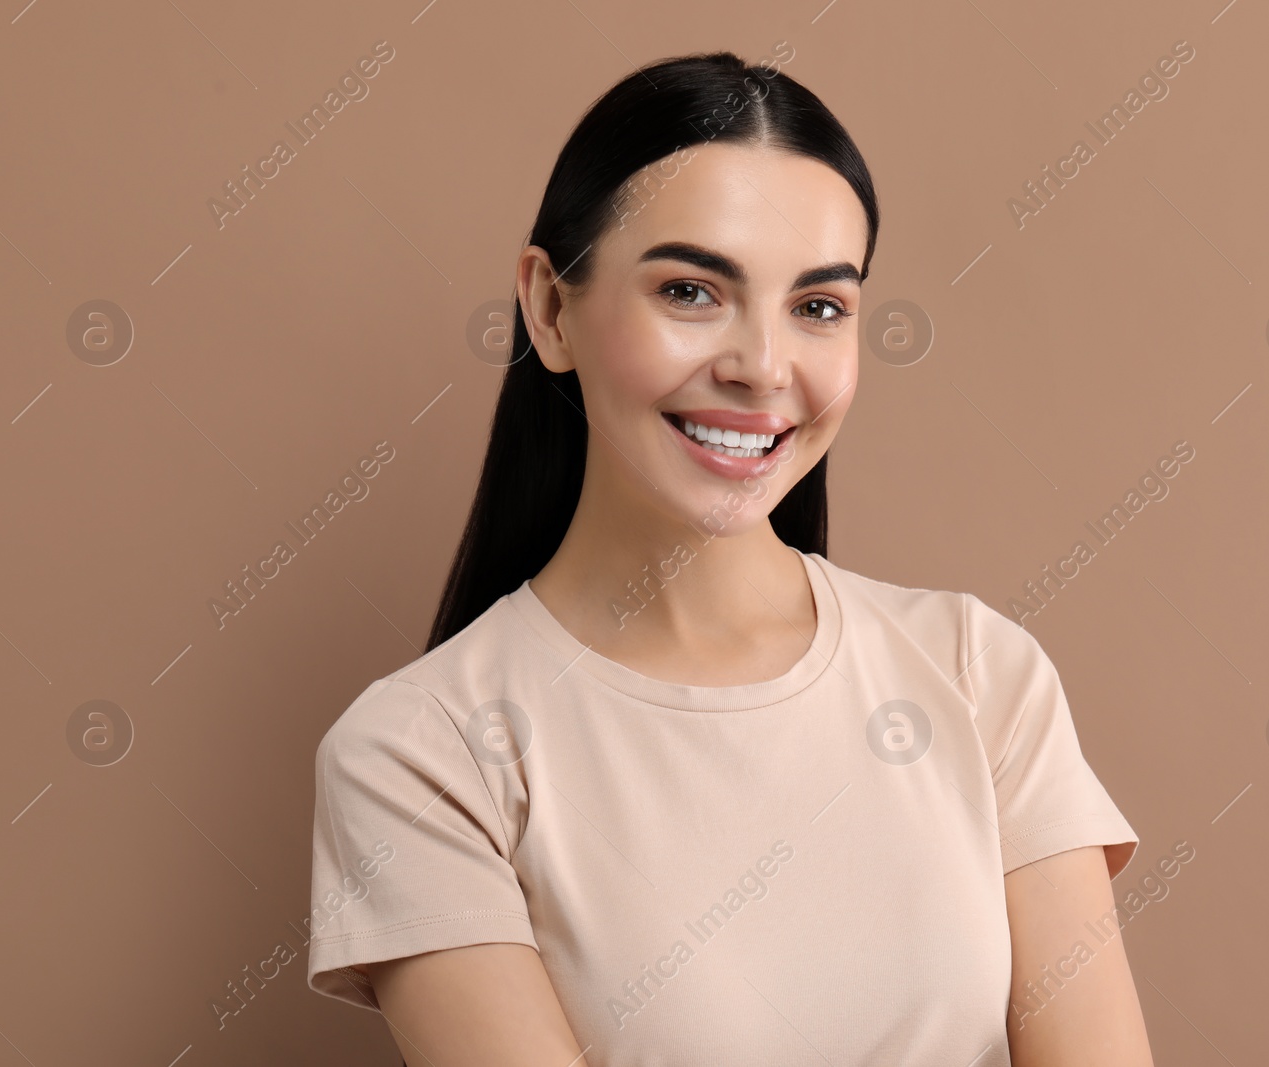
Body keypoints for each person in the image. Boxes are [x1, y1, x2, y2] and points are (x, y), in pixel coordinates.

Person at [306, 49, 1154, 1066]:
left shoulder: (981, 675)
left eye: (818, 306)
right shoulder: (420, 754)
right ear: (549, 308)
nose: (761, 367)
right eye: (691, 291)